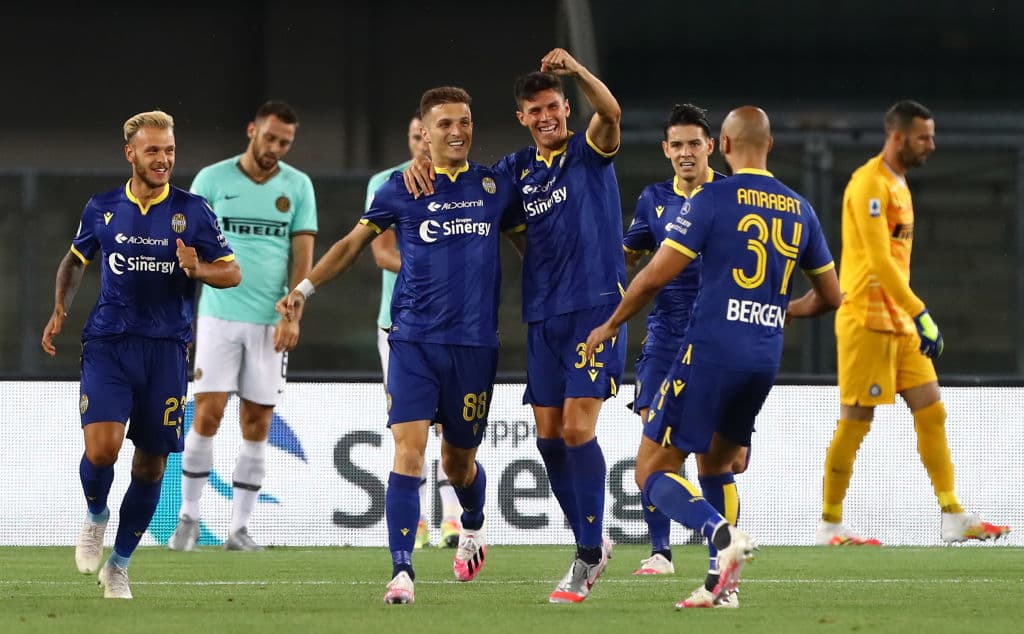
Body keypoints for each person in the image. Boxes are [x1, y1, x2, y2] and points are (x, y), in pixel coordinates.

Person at [587, 106, 842, 609]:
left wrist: (611, 324)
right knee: (719, 464)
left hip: (708, 352)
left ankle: (718, 534)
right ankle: (721, 586)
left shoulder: (710, 198)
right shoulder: (800, 208)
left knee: (651, 471)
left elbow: (656, 274)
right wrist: (784, 309)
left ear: (721, 146)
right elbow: (832, 297)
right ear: (768, 145)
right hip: (764, 358)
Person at [277, 86, 521, 605]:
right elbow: (350, 244)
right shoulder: (400, 188)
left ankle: (473, 524)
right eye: (445, 124)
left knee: (459, 464)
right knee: (408, 452)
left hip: (475, 346)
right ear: (424, 133)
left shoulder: (495, 185)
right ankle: (402, 571)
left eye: (465, 121)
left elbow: (531, 246)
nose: (457, 131)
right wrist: (302, 291)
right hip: (411, 339)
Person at [404, 49, 623, 603]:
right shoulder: (514, 172)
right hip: (542, 314)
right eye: (535, 111)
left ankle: (588, 555)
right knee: (548, 437)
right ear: (522, 118)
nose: (546, 117)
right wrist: (419, 164)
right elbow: (467, 188)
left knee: (577, 429)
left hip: (595, 308)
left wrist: (575, 71)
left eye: (554, 107)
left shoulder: (588, 149)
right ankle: (590, 541)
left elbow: (612, 112)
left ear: (566, 110)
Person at [41, 111, 240, 598]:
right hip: (109, 343)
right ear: (130, 154)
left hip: (167, 350)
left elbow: (231, 273)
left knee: (151, 466)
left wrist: (198, 270)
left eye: (169, 150)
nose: (164, 159)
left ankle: (120, 564)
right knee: (102, 449)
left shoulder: (193, 211)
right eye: (153, 151)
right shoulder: (103, 206)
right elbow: (74, 259)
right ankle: (95, 516)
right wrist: (60, 307)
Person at [815, 100, 1011, 546]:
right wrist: (921, 311)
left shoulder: (899, 184)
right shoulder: (868, 184)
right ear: (898, 136)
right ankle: (829, 523)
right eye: (925, 137)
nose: (932, 145)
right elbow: (880, 262)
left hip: (898, 320)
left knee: (932, 410)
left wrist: (910, 314)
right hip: (866, 317)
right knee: (856, 420)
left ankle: (952, 512)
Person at [168, 101, 318, 552]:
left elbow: (303, 257)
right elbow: (188, 257)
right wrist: (184, 316)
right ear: (252, 130)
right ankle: (188, 519)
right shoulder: (212, 180)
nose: (275, 148)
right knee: (207, 414)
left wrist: (293, 314)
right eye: (269, 138)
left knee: (257, 422)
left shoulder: (299, 186)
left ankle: (239, 528)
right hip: (217, 315)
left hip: (270, 322)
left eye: (284, 143)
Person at [622, 103, 749, 578]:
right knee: (653, 451)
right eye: (676, 144)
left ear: (711, 146)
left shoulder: (732, 195)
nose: (686, 152)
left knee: (713, 457)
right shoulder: (653, 199)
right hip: (664, 341)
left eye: (695, 143)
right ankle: (660, 552)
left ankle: (722, 557)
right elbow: (630, 257)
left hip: (716, 343)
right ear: (665, 150)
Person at [367, 111, 464, 550]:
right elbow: (381, 252)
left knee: (453, 429)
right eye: (414, 136)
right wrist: (431, 271)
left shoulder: (463, 181)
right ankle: (420, 519)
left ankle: (454, 519)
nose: (422, 143)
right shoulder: (387, 184)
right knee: (410, 427)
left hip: (456, 325)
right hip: (400, 325)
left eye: (426, 134)